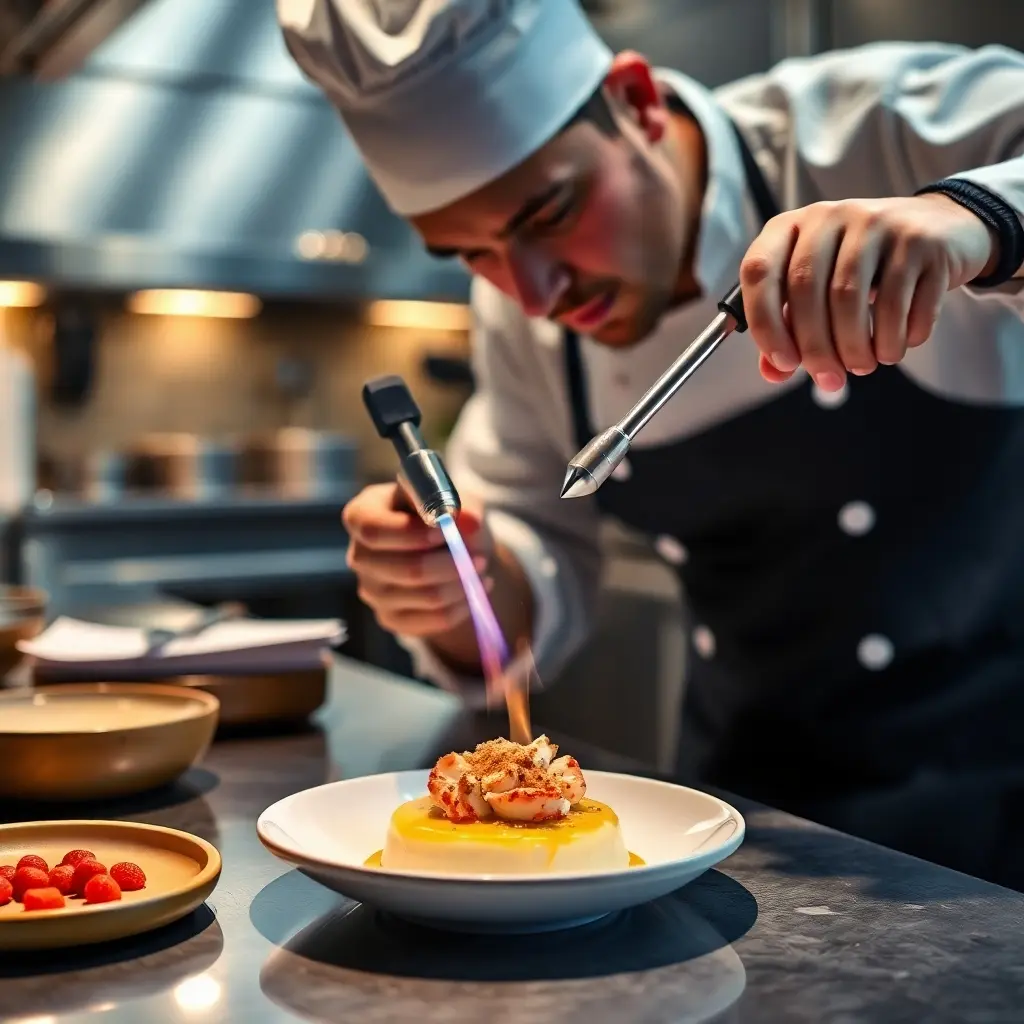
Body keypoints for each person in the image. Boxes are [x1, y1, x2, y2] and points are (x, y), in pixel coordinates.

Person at [276, 0, 1024, 888]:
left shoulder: (882, 126)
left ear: (635, 100)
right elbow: (523, 554)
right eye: (469, 253)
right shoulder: (526, 323)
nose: (534, 289)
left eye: (548, 213)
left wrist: (979, 218)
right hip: (755, 818)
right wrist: (453, 585)